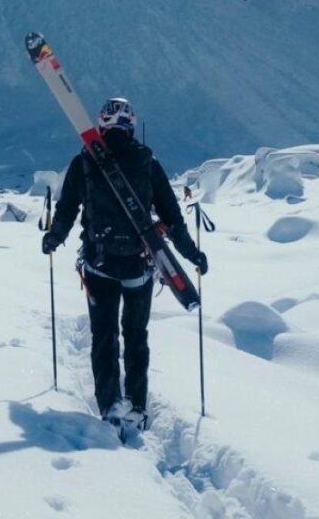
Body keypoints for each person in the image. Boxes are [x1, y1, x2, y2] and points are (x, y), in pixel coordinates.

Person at [41, 96, 208, 431]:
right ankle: (138, 408)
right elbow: (172, 218)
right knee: (135, 336)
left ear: (101, 124)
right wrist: (192, 255)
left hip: (98, 266)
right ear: (131, 126)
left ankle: (110, 408)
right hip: (138, 268)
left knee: (104, 337)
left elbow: (67, 209)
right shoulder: (147, 161)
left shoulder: (84, 161)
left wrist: (53, 238)